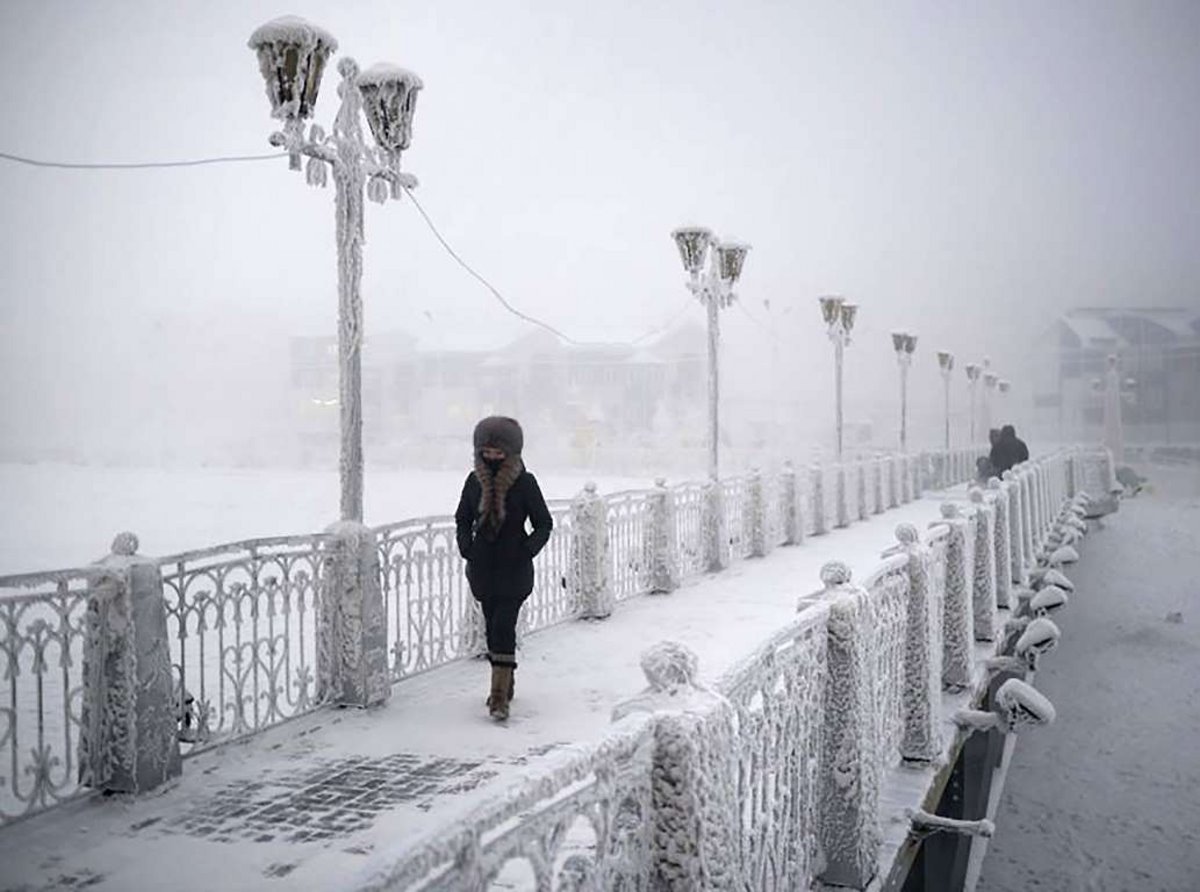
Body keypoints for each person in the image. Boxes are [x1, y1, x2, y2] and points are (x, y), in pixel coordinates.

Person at [454, 416, 553, 721]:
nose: (493, 457)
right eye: (487, 452)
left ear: (512, 452)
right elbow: (462, 518)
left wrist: (526, 550)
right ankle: (506, 681)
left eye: (499, 452)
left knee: (503, 627)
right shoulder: (473, 482)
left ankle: (498, 697)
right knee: (491, 629)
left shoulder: (525, 482)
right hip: (483, 569)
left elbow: (543, 524)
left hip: (514, 569)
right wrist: (467, 547)